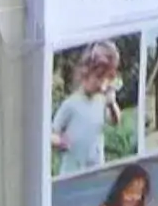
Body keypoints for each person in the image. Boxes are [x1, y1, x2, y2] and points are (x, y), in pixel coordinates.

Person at [51, 40, 123, 174]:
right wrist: (60, 141)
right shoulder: (70, 104)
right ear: (85, 74)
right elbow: (51, 134)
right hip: (72, 170)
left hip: (96, 168)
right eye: (98, 78)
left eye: (106, 79)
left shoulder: (102, 101)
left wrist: (112, 104)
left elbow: (115, 121)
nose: (102, 85)